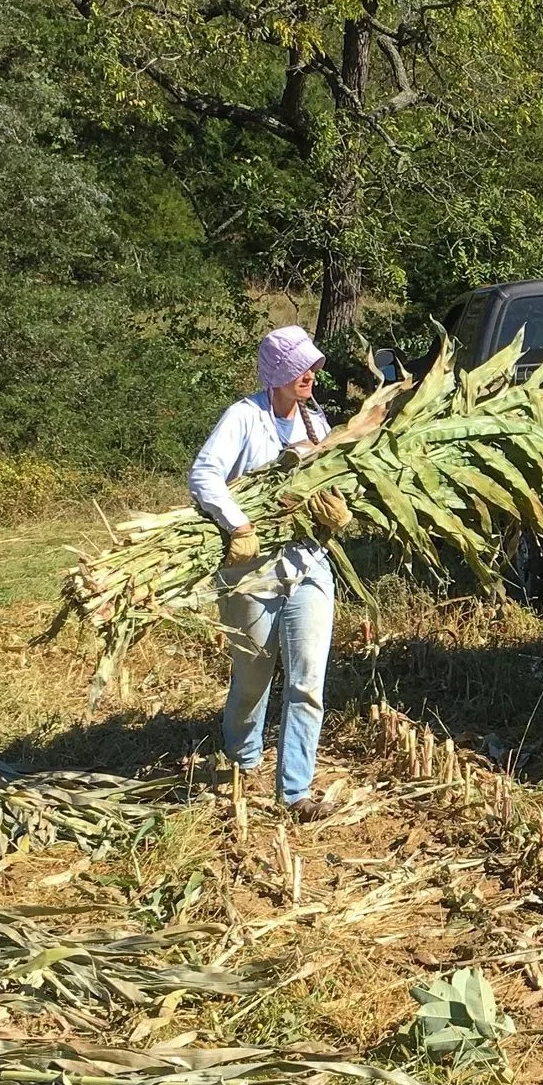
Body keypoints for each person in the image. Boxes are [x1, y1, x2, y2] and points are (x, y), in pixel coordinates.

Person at [188, 325, 351, 817]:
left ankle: (295, 791)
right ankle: (242, 759)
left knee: (307, 682)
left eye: (312, 367)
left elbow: (336, 479)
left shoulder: (316, 423)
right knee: (253, 678)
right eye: (300, 368)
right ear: (277, 373)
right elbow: (204, 474)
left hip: (308, 564)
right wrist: (238, 524)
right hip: (253, 570)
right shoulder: (244, 417)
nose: (311, 375)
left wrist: (338, 510)